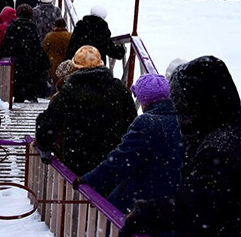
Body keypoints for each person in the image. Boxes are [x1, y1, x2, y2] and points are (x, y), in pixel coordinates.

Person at [122, 56, 241, 237]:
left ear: (195, 103)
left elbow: (194, 207)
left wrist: (146, 214)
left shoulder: (217, 148)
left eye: (181, 106)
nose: (181, 116)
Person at [77, 74, 182, 215]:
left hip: (143, 203)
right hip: (175, 204)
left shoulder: (146, 123)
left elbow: (120, 162)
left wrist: (90, 180)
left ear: (144, 101)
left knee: (109, 217)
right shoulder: (183, 121)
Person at [35, 46, 137, 175]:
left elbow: (47, 124)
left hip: (78, 162)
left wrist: (44, 148)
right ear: (101, 65)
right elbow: (132, 123)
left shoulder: (69, 92)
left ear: (75, 68)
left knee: (80, 187)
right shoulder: (118, 89)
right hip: (112, 161)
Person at [0, 4, 51, 102]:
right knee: (30, 78)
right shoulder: (32, 27)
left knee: (18, 81)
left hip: (16, 59)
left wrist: (2, 55)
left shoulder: (12, 26)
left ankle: (19, 97)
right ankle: (32, 96)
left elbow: (6, 43)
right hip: (30, 59)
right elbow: (36, 44)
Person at [42, 18, 72, 89]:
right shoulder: (70, 36)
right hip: (67, 64)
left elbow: (43, 50)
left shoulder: (50, 36)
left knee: (55, 85)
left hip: (53, 64)